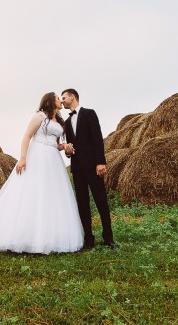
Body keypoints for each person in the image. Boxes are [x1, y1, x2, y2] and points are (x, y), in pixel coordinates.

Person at [0, 92, 84, 254]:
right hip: (37, 155)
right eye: (58, 98)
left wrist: (63, 146)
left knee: (52, 194)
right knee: (32, 191)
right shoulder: (39, 116)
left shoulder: (58, 121)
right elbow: (27, 136)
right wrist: (23, 158)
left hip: (53, 159)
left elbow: (54, 143)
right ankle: (24, 237)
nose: (60, 101)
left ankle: (50, 237)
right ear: (50, 101)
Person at [61, 88, 117, 249]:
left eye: (64, 97)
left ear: (72, 97)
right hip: (77, 169)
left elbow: (98, 139)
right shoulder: (66, 122)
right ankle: (89, 239)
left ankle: (108, 238)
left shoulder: (89, 113)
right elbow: (70, 146)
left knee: (101, 201)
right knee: (82, 203)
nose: (62, 100)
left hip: (94, 166)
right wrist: (68, 152)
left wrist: (101, 162)